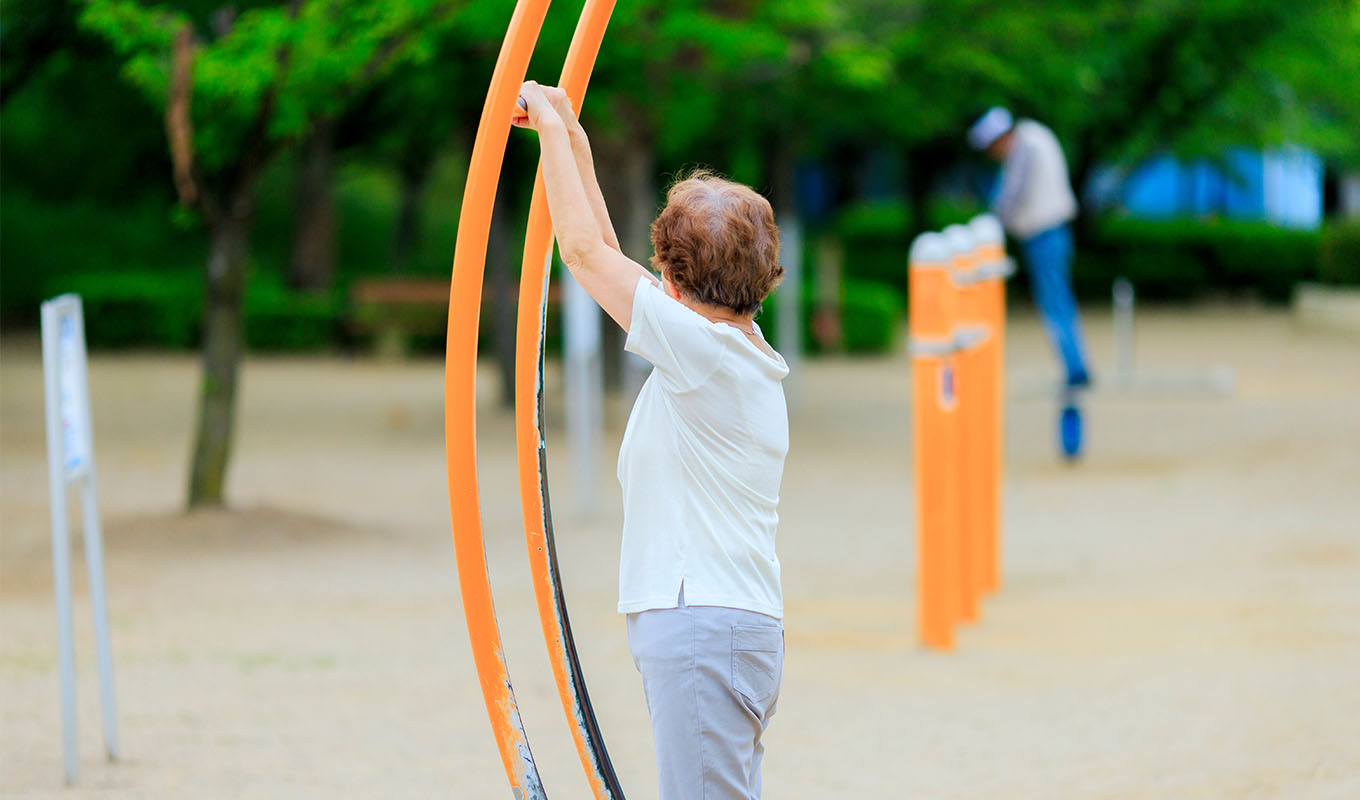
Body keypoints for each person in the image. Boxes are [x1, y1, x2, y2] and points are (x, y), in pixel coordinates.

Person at [514, 81, 789, 799]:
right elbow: (604, 252)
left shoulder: (703, 353)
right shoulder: (728, 345)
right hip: (722, 622)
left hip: (705, 622)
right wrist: (570, 138)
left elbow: (581, 253)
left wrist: (546, 130)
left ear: (671, 272)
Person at [969, 106, 1091, 387]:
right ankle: (1075, 365)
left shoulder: (1025, 144)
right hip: (1053, 231)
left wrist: (989, 226)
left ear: (1000, 138)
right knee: (1059, 299)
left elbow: (1013, 193)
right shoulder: (1035, 136)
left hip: (1044, 234)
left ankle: (1075, 369)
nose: (994, 155)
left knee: (1055, 301)